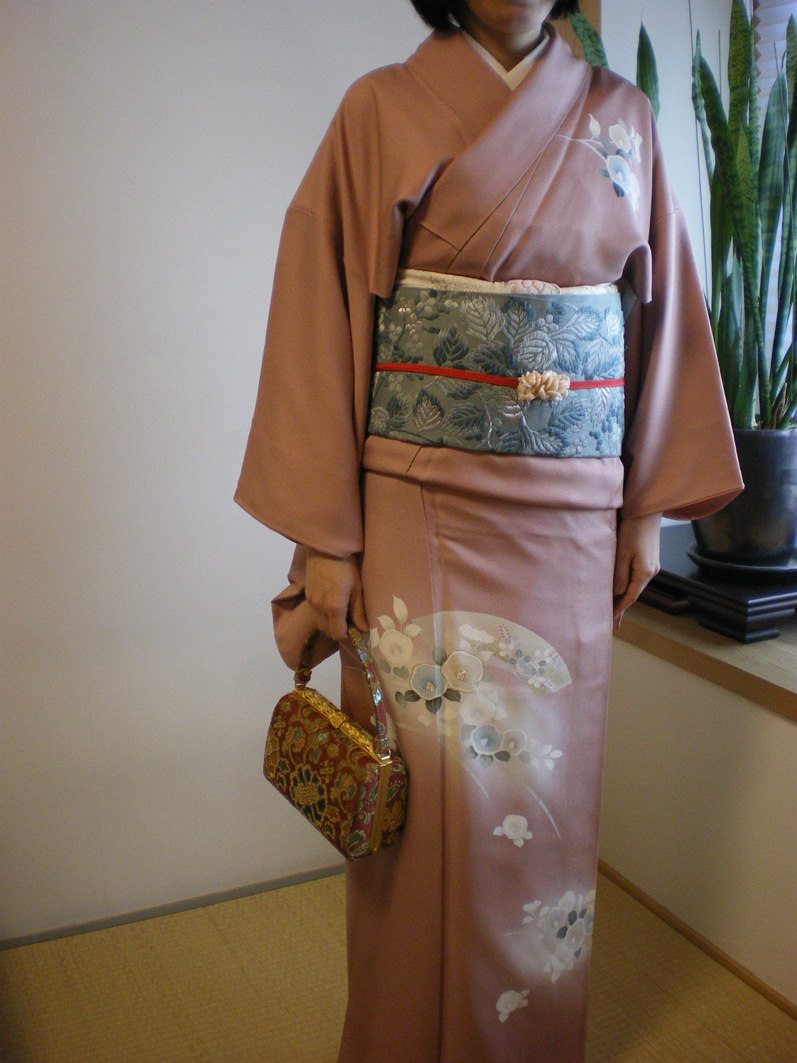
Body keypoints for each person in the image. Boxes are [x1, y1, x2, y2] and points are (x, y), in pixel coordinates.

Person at [236, 2, 743, 1060]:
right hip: (414, 509)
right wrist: (327, 539)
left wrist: (645, 508)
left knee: (541, 799)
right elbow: (316, 315)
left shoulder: (621, 117)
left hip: (570, 520)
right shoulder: (379, 109)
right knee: (415, 805)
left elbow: (661, 322)